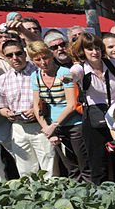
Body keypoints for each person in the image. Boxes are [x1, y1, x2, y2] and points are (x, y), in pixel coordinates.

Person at [69, 33, 115, 183]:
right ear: (83, 51)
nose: (95, 52)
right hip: (96, 119)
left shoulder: (113, 64)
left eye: (97, 48)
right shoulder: (81, 68)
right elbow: (75, 74)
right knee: (98, 163)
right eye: (89, 49)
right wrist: (69, 78)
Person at [27, 40, 88, 182]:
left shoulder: (64, 72)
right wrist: (47, 129)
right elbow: (37, 105)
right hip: (53, 126)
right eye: (38, 60)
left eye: (45, 57)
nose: (43, 62)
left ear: (51, 55)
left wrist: (53, 126)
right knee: (70, 168)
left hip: (74, 124)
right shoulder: (35, 76)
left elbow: (71, 104)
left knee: (84, 165)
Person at [0, 38, 52, 177]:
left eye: (18, 53)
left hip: (40, 125)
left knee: (49, 167)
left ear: (25, 53)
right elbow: (0, 106)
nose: (15, 58)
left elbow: (52, 98)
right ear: (5, 57)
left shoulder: (39, 72)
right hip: (18, 128)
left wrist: (36, 109)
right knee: (25, 170)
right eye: (9, 55)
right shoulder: (2, 79)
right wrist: (6, 113)